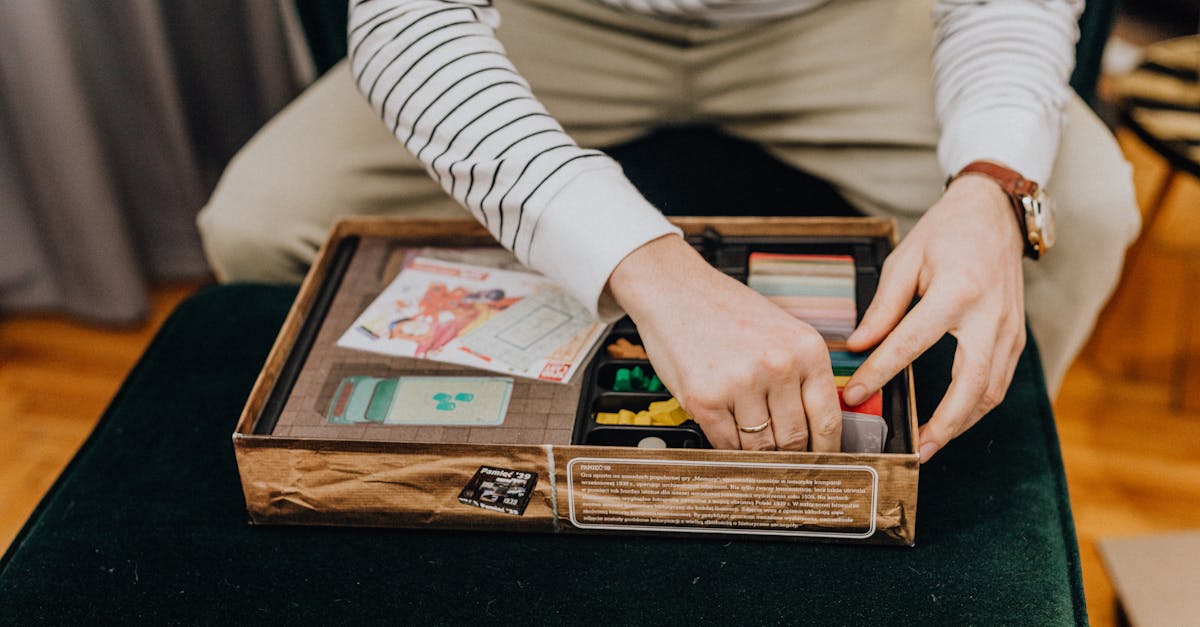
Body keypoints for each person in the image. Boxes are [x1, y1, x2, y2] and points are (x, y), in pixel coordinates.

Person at [197, 0, 1140, 462]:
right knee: (261, 218)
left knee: (1087, 206)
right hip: (550, 17)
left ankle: (980, 470)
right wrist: (648, 267)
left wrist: (991, 179)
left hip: (839, 16)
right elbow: (409, 19)